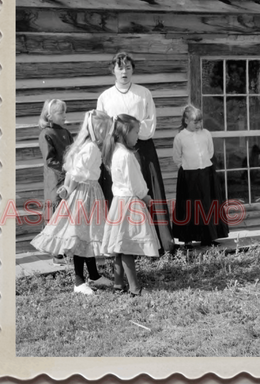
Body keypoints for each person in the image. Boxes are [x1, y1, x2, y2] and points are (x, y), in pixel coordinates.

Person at [97, 51, 174, 254]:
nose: (124, 72)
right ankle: (121, 244)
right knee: (121, 192)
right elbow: (103, 126)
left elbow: (150, 121)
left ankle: (158, 242)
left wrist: (135, 132)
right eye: (120, 68)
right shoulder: (105, 97)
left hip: (142, 146)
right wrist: (117, 138)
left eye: (128, 68)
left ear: (133, 70)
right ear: (113, 70)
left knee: (146, 189)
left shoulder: (143, 93)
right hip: (117, 150)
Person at [32, 110, 114, 296]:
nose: (107, 133)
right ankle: (78, 281)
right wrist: (69, 189)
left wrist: (68, 189)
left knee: (87, 236)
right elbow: (77, 173)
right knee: (81, 236)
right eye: (106, 129)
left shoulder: (83, 145)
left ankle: (93, 275)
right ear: (98, 129)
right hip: (86, 193)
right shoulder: (92, 147)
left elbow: (71, 171)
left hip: (86, 191)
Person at [101, 114, 160, 296]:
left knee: (120, 246)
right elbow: (136, 183)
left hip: (119, 202)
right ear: (126, 132)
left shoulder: (115, 153)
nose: (138, 136)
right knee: (127, 247)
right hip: (129, 203)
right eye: (136, 132)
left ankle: (118, 284)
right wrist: (146, 197)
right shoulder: (126, 156)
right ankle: (135, 288)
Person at [173, 104, 228, 247]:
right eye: (195, 122)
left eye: (200, 121)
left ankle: (208, 237)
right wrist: (187, 169)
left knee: (208, 204)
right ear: (186, 121)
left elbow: (210, 152)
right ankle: (188, 239)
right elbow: (177, 158)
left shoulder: (206, 134)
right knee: (190, 206)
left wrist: (202, 166)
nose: (199, 125)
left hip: (206, 173)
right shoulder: (180, 137)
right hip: (188, 175)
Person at [38, 99, 74, 264]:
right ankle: (55, 252)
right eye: (60, 113)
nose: (64, 115)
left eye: (64, 112)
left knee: (66, 210)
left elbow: (74, 150)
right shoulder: (46, 134)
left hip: (68, 176)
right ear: (49, 115)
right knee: (55, 209)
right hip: (55, 177)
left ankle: (64, 248)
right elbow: (50, 159)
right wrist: (66, 169)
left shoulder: (66, 132)